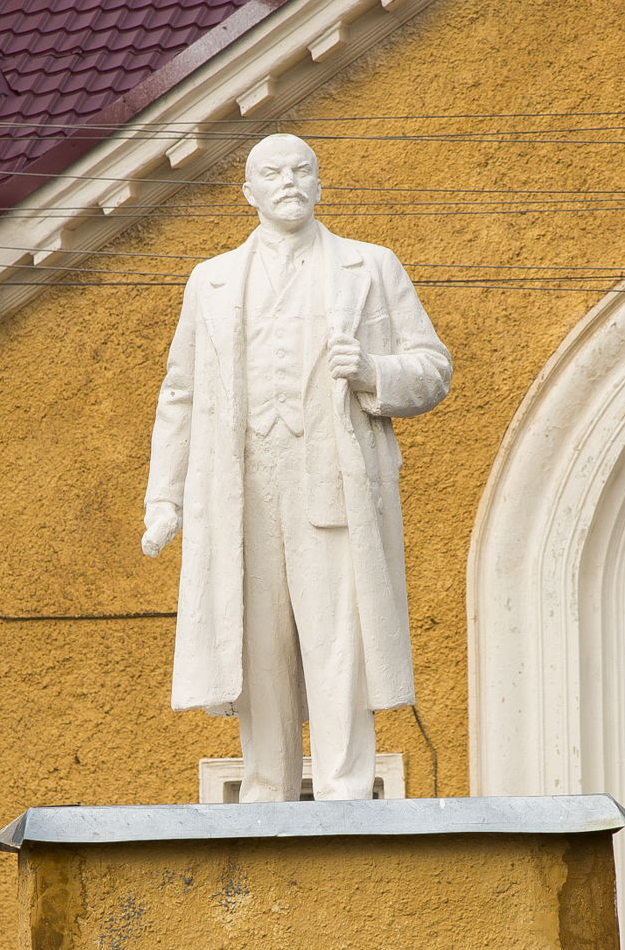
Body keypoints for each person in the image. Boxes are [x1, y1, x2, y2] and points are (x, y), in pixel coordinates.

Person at [143, 133, 451, 800]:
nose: (289, 182)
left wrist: (374, 371)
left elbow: (433, 369)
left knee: (339, 639)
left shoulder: (370, 267)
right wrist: (163, 497)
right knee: (257, 647)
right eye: (272, 173)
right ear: (248, 191)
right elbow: (181, 392)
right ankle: (265, 791)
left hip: (330, 481)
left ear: (319, 184)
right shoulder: (213, 281)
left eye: (302, 170)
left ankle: (344, 790)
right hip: (243, 488)